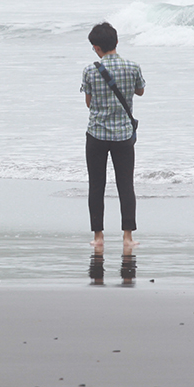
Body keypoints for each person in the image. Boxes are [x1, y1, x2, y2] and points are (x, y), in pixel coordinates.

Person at [81, 22, 145, 252]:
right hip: (123, 135)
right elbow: (140, 91)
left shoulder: (90, 70)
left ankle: (98, 237)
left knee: (96, 185)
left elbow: (89, 103)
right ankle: (128, 237)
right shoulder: (133, 66)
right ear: (116, 42)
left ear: (97, 47)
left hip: (96, 134)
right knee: (125, 185)